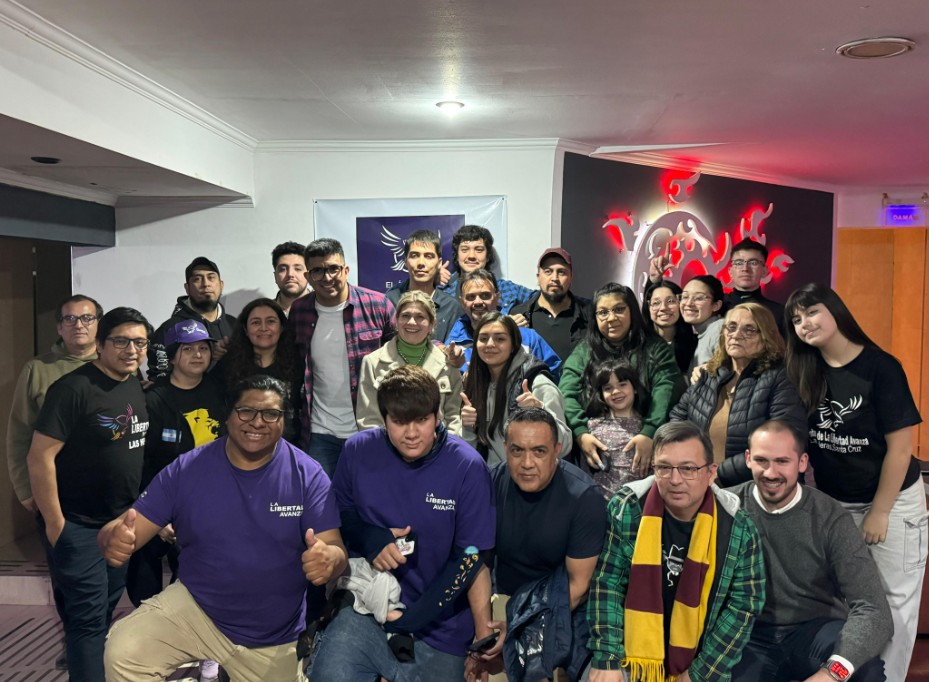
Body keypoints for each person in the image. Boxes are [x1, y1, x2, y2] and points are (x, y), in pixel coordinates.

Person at [99, 374, 347, 682]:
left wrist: (330, 560)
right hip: (195, 609)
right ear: (228, 415)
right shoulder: (187, 469)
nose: (258, 422)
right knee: (125, 651)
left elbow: (335, 549)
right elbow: (127, 528)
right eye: (246, 411)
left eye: (271, 413)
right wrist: (112, 538)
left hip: (272, 634)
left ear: (284, 420)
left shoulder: (307, 475)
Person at [311, 366, 496, 681]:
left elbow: (472, 556)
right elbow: (341, 514)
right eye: (399, 422)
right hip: (364, 610)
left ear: (437, 417)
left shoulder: (467, 466)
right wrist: (373, 539)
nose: (411, 433)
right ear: (383, 419)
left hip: (441, 625)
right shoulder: (357, 450)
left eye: (422, 420)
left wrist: (415, 618)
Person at [785, 282, 928, 682]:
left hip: (892, 501)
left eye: (812, 312)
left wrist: (880, 512)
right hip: (837, 504)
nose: (804, 323)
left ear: (836, 311)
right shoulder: (803, 370)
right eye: (796, 320)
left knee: (894, 603)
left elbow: (901, 449)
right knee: (849, 604)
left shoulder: (881, 367)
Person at [26, 307, 152, 682]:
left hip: (119, 523)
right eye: (121, 341)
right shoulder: (73, 388)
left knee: (104, 610)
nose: (132, 350)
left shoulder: (133, 381)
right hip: (77, 525)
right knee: (87, 621)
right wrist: (56, 526)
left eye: (140, 342)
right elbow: (39, 457)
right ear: (100, 344)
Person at [586, 420, 765, 682]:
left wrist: (700, 673)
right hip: (633, 653)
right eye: (664, 468)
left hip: (701, 657)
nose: (675, 479)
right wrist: (607, 659)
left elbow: (743, 607)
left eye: (688, 468)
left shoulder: (738, 528)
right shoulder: (627, 509)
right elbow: (608, 584)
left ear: (711, 472)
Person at [730, 420, 892, 682]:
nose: (771, 473)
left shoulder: (830, 516)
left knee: (867, 672)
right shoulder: (726, 507)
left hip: (816, 630)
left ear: (802, 462)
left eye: (783, 461)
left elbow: (874, 609)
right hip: (749, 635)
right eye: (762, 460)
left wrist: (831, 675)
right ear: (748, 459)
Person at [467, 408, 607, 682]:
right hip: (505, 599)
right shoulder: (491, 482)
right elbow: (477, 562)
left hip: (562, 606)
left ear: (556, 450)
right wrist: (484, 633)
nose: (527, 462)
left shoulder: (584, 498)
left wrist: (521, 627)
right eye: (517, 451)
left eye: (539, 452)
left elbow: (578, 587)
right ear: (505, 448)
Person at [127, 319, 226, 605]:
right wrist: (156, 515)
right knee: (144, 556)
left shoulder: (220, 391)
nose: (198, 355)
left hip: (211, 497)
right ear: (171, 357)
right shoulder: (153, 400)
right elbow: (141, 464)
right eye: (188, 349)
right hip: (163, 498)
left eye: (203, 348)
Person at [289, 237, 396, 477]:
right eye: (317, 271)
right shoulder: (299, 311)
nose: (327, 277)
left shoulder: (377, 305)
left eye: (333, 269)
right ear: (308, 277)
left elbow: (405, 346)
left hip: (370, 428)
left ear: (346, 270)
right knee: (321, 501)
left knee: (369, 503)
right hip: (319, 432)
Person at [669, 303, 806, 486]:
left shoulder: (781, 378)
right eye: (731, 327)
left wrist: (718, 474)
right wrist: (688, 465)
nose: (736, 335)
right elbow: (677, 419)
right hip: (700, 484)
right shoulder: (710, 373)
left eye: (749, 329)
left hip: (756, 489)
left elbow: (782, 442)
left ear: (766, 337)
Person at [560, 282, 685, 477]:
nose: (611, 318)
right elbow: (566, 392)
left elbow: (666, 389)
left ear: (632, 312)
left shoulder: (655, 348)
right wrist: (581, 433)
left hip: (646, 450)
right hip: (594, 453)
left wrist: (649, 432)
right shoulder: (585, 351)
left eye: (619, 309)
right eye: (603, 312)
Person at [7, 294, 102, 513]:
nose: (78, 325)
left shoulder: (117, 364)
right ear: (59, 328)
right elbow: (19, 433)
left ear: (99, 324)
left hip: (111, 489)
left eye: (87, 318)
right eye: (69, 319)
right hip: (56, 491)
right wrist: (25, 489)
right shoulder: (37, 369)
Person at [461, 313, 572, 466]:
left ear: (514, 344)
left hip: (528, 481)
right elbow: (473, 453)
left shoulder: (537, 383)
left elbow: (565, 445)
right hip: (491, 481)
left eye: (500, 339)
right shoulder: (475, 382)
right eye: (483, 338)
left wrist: (541, 412)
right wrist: (468, 428)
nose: (490, 344)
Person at [357, 290, 463, 435]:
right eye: (405, 316)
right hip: (389, 451)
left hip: (437, 451)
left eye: (420, 317)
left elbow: (454, 416)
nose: (412, 322)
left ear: (432, 324)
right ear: (396, 320)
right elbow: (368, 421)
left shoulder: (447, 363)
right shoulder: (373, 362)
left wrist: (445, 451)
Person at [445, 269, 562, 375]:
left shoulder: (527, 338)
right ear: (462, 302)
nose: (478, 302)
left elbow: (555, 373)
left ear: (497, 297)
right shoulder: (453, 346)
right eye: (471, 297)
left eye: (485, 295)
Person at [216, 298, 302, 442]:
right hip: (238, 443)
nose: (263, 328)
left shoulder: (298, 363)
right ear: (245, 329)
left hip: (286, 445)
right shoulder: (228, 363)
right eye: (255, 322)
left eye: (271, 321)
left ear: (281, 327)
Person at [147, 257, 235, 382]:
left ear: (221, 285)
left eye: (211, 277)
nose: (206, 284)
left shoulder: (235, 324)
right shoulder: (170, 328)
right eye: (197, 279)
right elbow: (159, 380)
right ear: (187, 288)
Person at [510, 247, 591, 361]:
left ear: (571, 277)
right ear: (538, 277)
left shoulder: (590, 312)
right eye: (548, 271)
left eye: (561, 272)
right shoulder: (519, 314)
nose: (554, 278)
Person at [385, 229, 462, 344]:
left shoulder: (451, 307)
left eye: (429, 256)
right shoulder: (389, 300)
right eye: (414, 255)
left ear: (439, 263)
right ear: (406, 261)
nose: (421, 263)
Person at [436, 224, 532, 314]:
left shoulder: (506, 288)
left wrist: (512, 321)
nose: (471, 256)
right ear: (457, 255)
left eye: (479, 250)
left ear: (488, 256)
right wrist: (430, 279)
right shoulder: (443, 288)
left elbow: (540, 300)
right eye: (465, 250)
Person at [584, 360, 646, 498]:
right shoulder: (593, 427)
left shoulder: (647, 429)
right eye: (608, 388)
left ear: (635, 387)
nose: (616, 391)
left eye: (622, 384)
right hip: (603, 504)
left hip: (639, 505)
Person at [725, 239, 786, 334]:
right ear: (730, 271)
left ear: (764, 271)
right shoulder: (716, 306)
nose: (745, 269)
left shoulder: (778, 313)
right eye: (739, 263)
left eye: (753, 263)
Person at [641, 280, 696, 375]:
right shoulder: (639, 346)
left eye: (670, 301)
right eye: (656, 303)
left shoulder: (695, 344)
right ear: (648, 308)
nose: (663, 308)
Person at [680, 275, 726, 377]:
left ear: (716, 305)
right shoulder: (702, 333)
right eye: (685, 297)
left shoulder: (719, 329)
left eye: (699, 298)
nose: (688, 303)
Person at [271, 240, 311, 316]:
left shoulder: (324, 309)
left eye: (298, 269)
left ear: (308, 275)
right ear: (275, 276)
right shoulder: (264, 313)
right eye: (283, 269)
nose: (290, 274)